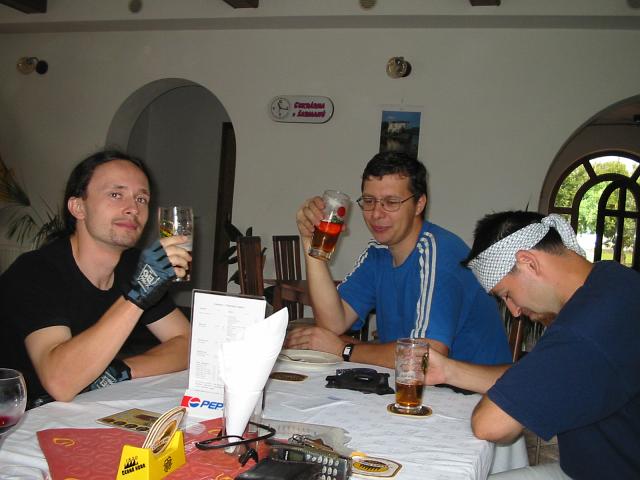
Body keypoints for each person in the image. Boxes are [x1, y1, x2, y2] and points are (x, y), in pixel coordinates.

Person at [424, 210, 640, 479]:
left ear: (528, 262)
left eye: (507, 294)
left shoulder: (586, 328)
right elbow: (536, 377)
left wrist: (508, 400)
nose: (514, 311)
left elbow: (491, 425)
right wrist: (446, 371)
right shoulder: (612, 282)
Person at [0, 150, 192, 408]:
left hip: (83, 409)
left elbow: (189, 344)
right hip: (23, 416)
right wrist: (138, 294)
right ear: (78, 207)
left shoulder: (133, 264)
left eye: (141, 198)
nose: (133, 208)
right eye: (116, 194)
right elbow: (60, 382)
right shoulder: (35, 271)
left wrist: (121, 371)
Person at [287, 152, 511, 368]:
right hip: (413, 383)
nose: (376, 213)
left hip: (470, 391)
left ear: (419, 204)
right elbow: (333, 324)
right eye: (369, 201)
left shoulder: (439, 253)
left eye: (391, 202)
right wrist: (310, 241)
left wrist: (344, 349)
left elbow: (425, 358)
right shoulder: (379, 253)